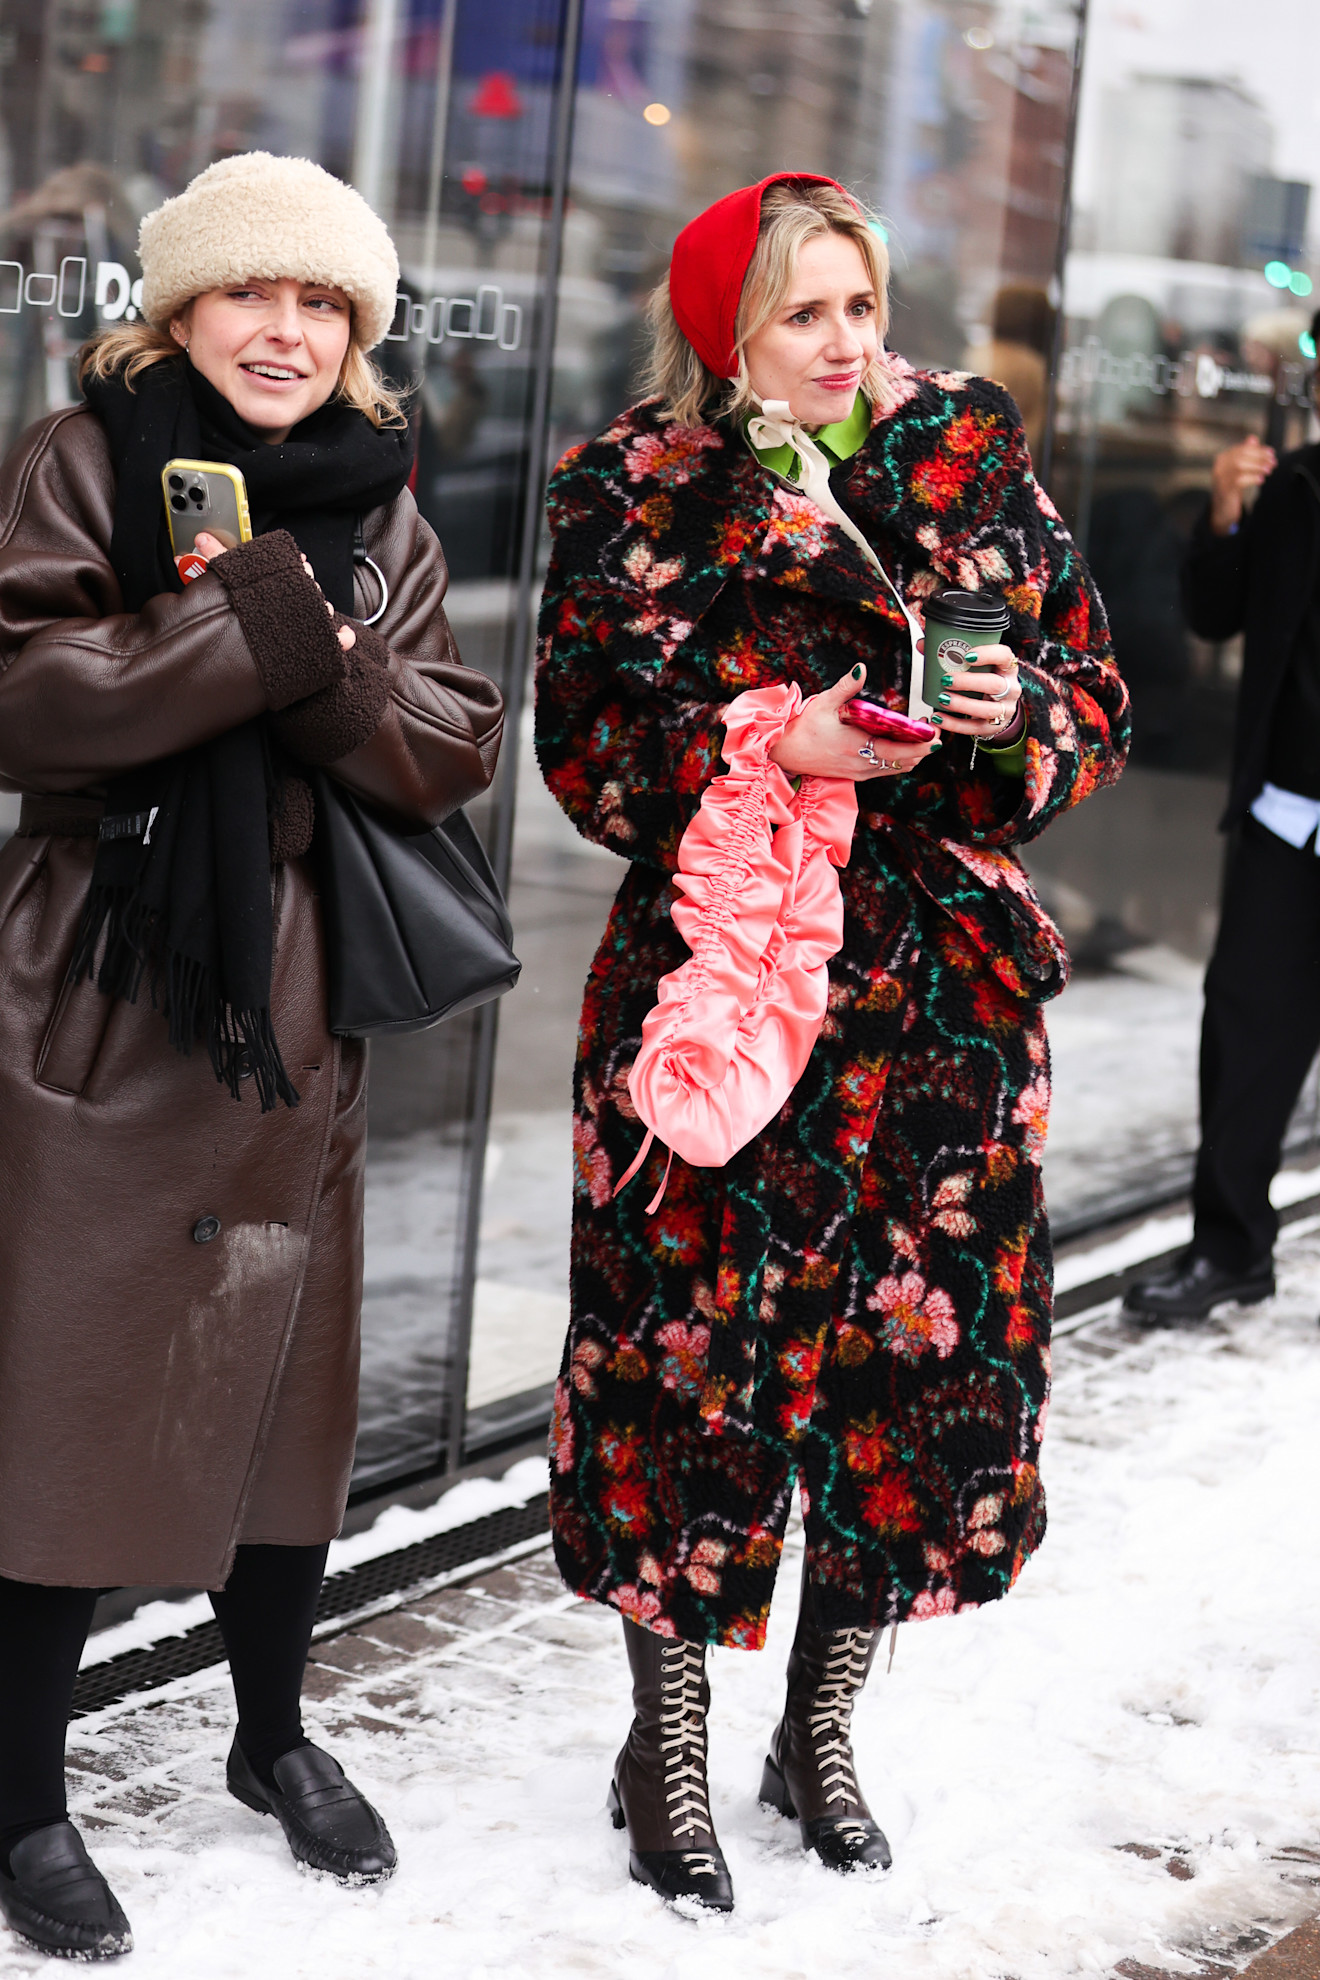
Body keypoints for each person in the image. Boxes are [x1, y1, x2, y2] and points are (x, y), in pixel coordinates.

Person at [535, 173, 1128, 1912]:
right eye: (802, 313)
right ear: (727, 331)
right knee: (684, 1382)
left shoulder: (971, 461)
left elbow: (1095, 700)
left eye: (860, 306)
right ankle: (668, 1752)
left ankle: (822, 1732)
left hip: (939, 1013)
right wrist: (769, 743)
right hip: (729, 993)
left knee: (898, 1380)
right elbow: (586, 751)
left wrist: (1022, 723)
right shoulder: (635, 485)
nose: (843, 344)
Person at [0, 151, 503, 1959]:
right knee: (64, 1387)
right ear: (182, 309)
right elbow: (30, 698)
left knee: (280, 1386)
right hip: (100, 978)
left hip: (286, 1005)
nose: (283, 329)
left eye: (321, 302)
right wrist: (261, 624)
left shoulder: (392, 505)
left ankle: (271, 1733)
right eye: (250, 293)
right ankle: (25, 1800)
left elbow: (446, 743)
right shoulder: (80, 462)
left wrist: (317, 653)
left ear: (355, 334)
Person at [1124, 309, 1320, 1323]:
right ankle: (1230, 1248)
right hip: (1289, 817)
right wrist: (1226, 518)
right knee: (1245, 1039)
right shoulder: (1294, 486)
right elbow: (1215, 613)